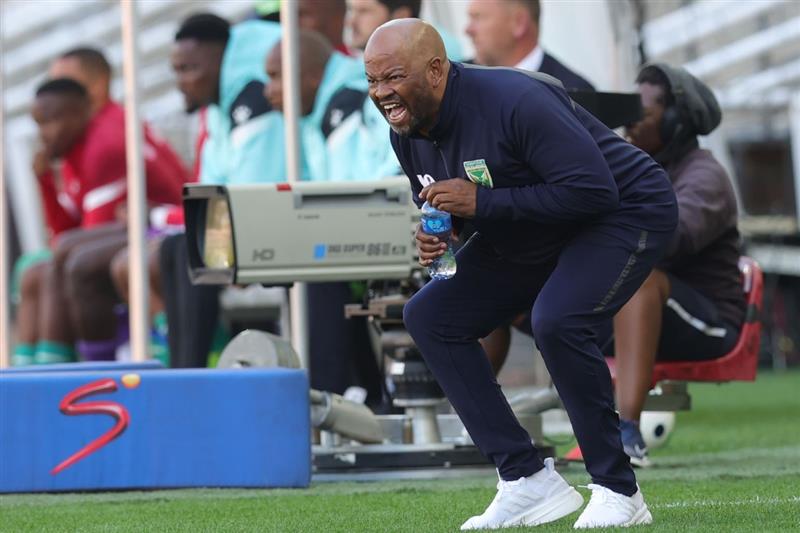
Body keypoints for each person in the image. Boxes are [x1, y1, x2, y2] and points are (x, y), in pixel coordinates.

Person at [364, 20, 678, 529]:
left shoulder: (513, 99)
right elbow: (457, 210)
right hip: (535, 226)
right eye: (372, 81)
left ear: (437, 70)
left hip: (623, 211)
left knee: (557, 319)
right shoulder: (406, 131)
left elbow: (595, 191)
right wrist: (441, 238)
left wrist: (481, 201)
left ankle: (619, 491)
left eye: (393, 78)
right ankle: (526, 480)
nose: (381, 94)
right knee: (430, 315)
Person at [606, 64, 746, 467]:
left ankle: (627, 433)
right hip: (632, 315)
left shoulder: (705, 174)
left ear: (674, 122)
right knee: (514, 286)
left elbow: (672, 239)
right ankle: (482, 431)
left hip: (708, 321)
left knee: (641, 278)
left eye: (641, 114)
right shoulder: (633, 169)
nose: (628, 124)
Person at [263, 30, 398, 405]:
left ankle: (328, 397)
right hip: (373, 225)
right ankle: (362, 392)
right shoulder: (319, 112)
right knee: (310, 257)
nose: (266, 90)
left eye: (275, 77)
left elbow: (348, 193)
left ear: (309, 76)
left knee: (312, 263)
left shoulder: (344, 103)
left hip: (398, 220)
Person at [13, 77, 188, 364]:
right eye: (38, 124)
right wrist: (45, 183)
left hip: (167, 225)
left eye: (50, 121)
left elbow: (81, 238)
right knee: (32, 271)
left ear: (83, 108)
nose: (43, 134)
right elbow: (65, 232)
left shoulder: (103, 145)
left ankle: (91, 364)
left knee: (77, 264)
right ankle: (34, 371)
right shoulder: (73, 148)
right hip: (137, 228)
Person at [466, 0, 593, 91]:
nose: (468, 30)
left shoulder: (574, 94)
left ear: (519, 23)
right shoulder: (459, 82)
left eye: (478, 17)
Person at [347, 0, 463, 60]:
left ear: (401, 16)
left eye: (364, 11)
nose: (350, 22)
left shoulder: (438, 52)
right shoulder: (354, 68)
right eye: (351, 10)